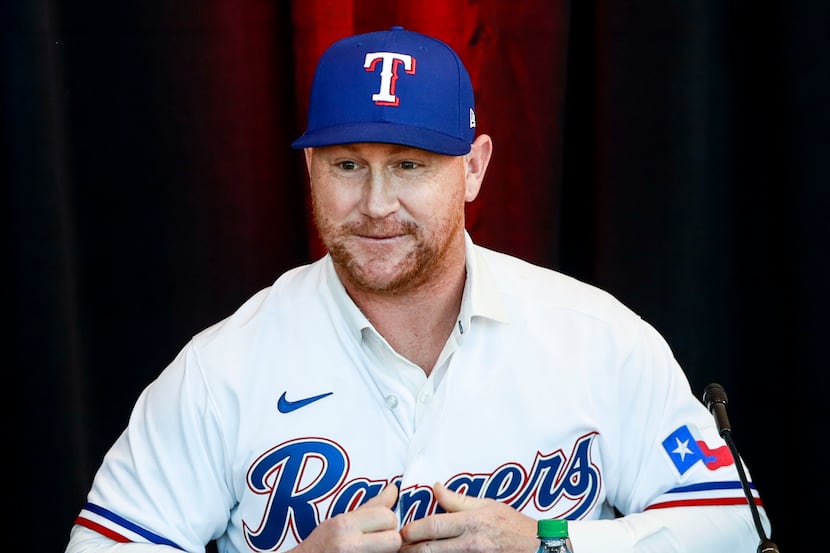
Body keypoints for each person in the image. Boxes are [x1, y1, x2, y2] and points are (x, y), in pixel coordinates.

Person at [65, 26, 771, 553]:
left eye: (409, 164)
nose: (375, 203)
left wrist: (550, 539)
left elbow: (737, 524)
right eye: (348, 164)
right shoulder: (218, 372)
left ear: (472, 169)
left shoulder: (596, 336)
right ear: (311, 166)